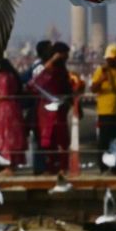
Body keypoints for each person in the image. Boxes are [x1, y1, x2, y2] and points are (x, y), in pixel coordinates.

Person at [32, 42, 75, 175]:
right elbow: (36, 83)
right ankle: (50, 167)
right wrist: (53, 60)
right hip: (46, 111)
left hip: (59, 110)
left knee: (61, 140)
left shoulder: (62, 71)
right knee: (48, 139)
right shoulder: (45, 69)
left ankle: (61, 167)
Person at [89, 44, 116, 170]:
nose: (110, 61)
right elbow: (93, 89)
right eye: (108, 58)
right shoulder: (101, 71)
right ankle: (103, 166)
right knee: (104, 141)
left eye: (112, 58)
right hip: (105, 111)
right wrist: (101, 80)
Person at [0, 59, 27, 168]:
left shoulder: (3, 76)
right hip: (13, 108)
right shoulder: (12, 76)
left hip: (4, 109)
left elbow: (4, 93)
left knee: (5, 136)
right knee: (12, 136)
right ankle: (12, 164)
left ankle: (7, 165)